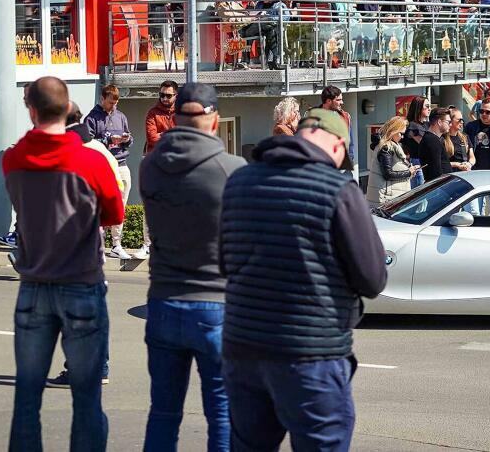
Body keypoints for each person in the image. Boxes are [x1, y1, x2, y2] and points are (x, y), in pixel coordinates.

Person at [220, 108, 387, 451]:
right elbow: (372, 279)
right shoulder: (338, 189)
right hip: (311, 354)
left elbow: (225, 262)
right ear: (338, 145)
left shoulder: (239, 182)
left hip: (243, 349)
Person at [4, 77, 124, 452]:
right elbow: (114, 212)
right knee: (86, 397)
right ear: (70, 107)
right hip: (82, 283)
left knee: (27, 398)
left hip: (33, 284)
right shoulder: (91, 160)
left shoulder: (14, 159)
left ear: (31, 110)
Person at [139, 83, 245, 452]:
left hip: (164, 300)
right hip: (216, 302)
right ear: (214, 119)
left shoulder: (150, 166)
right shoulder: (232, 170)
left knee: (163, 413)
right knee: (222, 413)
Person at [86, 84, 145, 259]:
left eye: (116, 103)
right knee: (101, 205)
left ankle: (116, 244)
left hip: (121, 163)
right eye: (111, 103)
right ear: (102, 99)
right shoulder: (92, 118)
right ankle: (98, 243)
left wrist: (126, 139)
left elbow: (130, 138)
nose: (113, 107)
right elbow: (88, 141)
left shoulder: (121, 116)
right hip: (102, 165)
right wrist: (109, 139)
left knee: (120, 205)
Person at [365, 116, 417, 207]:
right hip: (386, 197)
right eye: (401, 133)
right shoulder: (386, 147)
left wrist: (409, 170)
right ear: (394, 131)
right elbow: (387, 174)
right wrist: (408, 172)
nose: (402, 136)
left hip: (387, 194)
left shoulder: (388, 145)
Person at [320, 86, 354, 168]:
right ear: (328, 101)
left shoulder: (346, 117)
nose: (342, 102)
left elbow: (350, 143)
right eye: (338, 100)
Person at [403, 96, 430, 188]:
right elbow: (425, 144)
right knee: (420, 194)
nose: (429, 109)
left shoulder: (426, 124)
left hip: (425, 162)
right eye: (426, 106)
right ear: (419, 108)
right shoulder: (413, 126)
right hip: (417, 162)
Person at [419, 108, 452, 183]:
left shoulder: (432, 139)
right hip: (439, 187)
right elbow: (436, 172)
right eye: (448, 122)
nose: (450, 124)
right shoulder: (432, 140)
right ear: (439, 122)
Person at [144, 80, 177, 153]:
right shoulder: (152, 113)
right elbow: (151, 138)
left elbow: (186, 137)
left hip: (177, 158)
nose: (165, 98)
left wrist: (161, 135)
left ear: (176, 95)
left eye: (168, 96)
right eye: (162, 95)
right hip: (157, 158)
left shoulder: (181, 112)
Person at [446, 107, 474, 174]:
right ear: (450, 121)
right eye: (459, 120)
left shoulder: (465, 137)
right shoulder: (442, 139)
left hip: (464, 174)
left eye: (462, 120)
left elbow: (472, 157)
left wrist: (469, 164)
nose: (462, 122)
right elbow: (440, 163)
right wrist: (456, 164)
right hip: (450, 175)